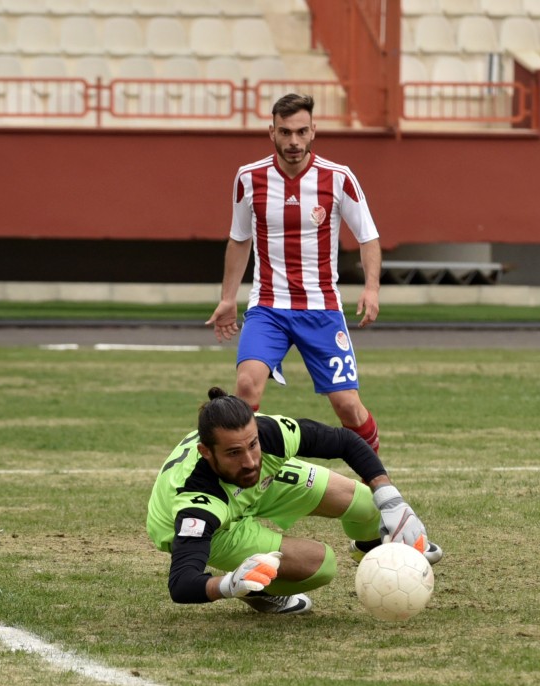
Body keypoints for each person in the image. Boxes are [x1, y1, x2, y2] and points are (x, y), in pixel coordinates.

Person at [146, 387, 440, 615]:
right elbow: (181, 583)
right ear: (206, 452)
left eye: (253, 445)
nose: (250, 461)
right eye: (234, 452)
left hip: (255, 487)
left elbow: (345, 441)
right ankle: (257, 592)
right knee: (321, 566)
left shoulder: (269, 434)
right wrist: (229, 584)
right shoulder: (196, 507)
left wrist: (392, 500)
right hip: (218, 524)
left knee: (368, 504)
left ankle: (375, 551)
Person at [206, 93, 385, 452]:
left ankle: (376, 477)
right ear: (271, 132)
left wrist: (371, 288)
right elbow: (239, 240)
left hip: (321, 309)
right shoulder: (248, 178)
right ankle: (247, 475)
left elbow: (368, 237)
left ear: (313, 130)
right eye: (285, 132)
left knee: (348, 406)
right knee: (246, 386)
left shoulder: (338, 178)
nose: (293, 141)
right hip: (268, 308)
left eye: (301, 132)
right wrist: (228, 299)